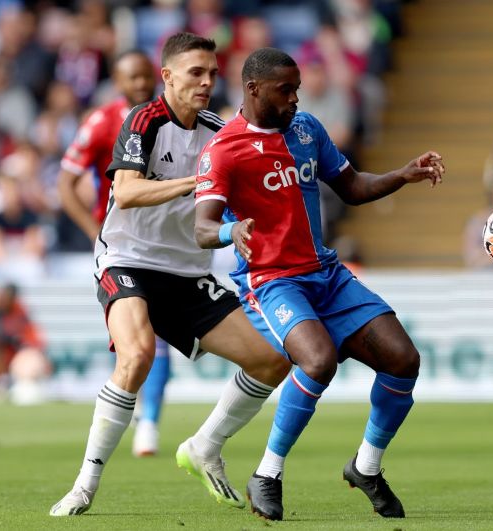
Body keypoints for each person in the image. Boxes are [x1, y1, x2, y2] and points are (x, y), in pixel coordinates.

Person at [194, 47, 445, 521]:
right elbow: (202, 227)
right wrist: (232, 230)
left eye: (296, 89)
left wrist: (402, 175)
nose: (295, 99)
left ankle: (366, 467)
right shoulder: (223, 150)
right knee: (318, 360)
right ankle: (267, 473)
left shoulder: (307, 129)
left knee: (403, 359)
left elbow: (352, 187)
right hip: (272, 282)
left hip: (326, 275)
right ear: (253, 89)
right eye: (285, 90)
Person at [49, 33, 291, 517]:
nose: (206, 82)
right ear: (168, 77)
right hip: (126, 260)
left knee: (271, 363)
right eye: (195, 72)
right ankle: (84, 485)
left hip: (185, 272)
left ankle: (204, 446)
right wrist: (196, 181)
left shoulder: (219, 132)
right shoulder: (143, 121)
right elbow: (127, 191)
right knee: (138, 355)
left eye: (212, 73)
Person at [57, 49, 170, 458]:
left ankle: (149, 422)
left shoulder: (173, 118)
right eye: (131, 78)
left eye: (145, 76)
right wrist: (94, 231)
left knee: (159, 335)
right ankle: (135, 413)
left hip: (166, 239)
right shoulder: (102, 121)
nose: (140, 84)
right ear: (117, 82)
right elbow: (66, 183)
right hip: (120, 244)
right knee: (128, 336)